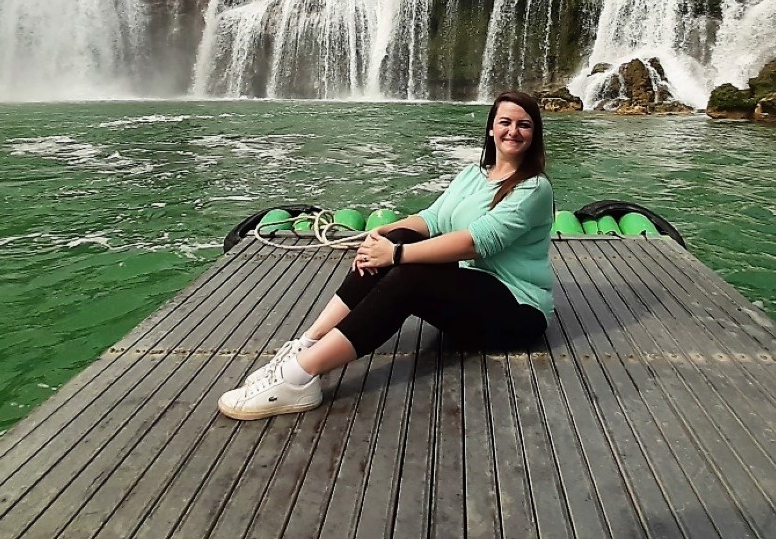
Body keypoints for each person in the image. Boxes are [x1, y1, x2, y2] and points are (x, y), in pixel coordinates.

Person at [218, 89, 555, 420]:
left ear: (535, 134)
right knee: (399, 236)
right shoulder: (474, 174)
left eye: (524, 125)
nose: (513, 131)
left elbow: (476, 242)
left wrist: (395, 254)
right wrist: (382, 235)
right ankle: (309, 341)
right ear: (491, 128)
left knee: (409, 270)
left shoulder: (533, 188)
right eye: (505, 122)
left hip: (516, 312)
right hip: (474, 297)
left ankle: (298, 377)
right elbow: (432, 219)